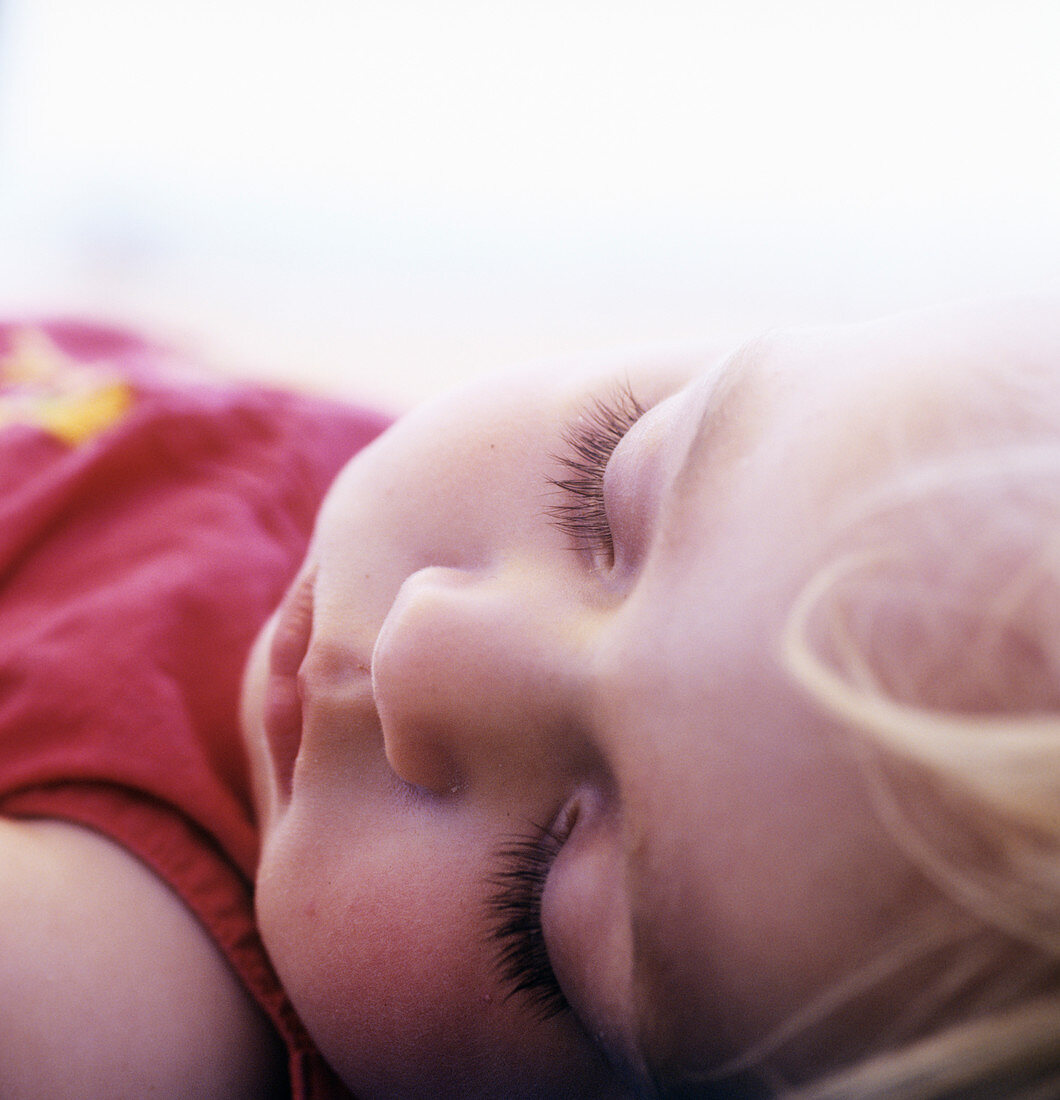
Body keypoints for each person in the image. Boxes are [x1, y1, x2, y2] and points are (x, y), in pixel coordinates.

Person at [1, 297, 1058, 1099]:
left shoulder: (123, 981)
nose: (423, 646)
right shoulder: (365, 493)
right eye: (600, 484)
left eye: (537, 900)